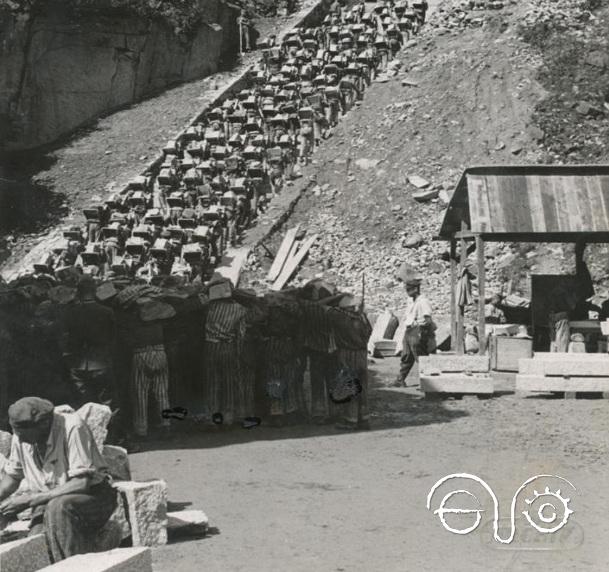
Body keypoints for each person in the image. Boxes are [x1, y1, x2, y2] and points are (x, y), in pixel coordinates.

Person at [0, 397, 118, 563]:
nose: (18, 439)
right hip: (47, 503)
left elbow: (81, 482)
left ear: (43, 424)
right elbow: (13, 477)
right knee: (35, 547)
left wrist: (30, 500)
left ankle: (73, 567)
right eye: (16, 432)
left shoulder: (73, 427)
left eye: (22, 434)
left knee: (59, 508)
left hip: (94, 498)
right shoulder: (21, 435)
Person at [393, 276, 436, 387]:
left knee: (420, 357)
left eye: (409, 290)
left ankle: (429, 382)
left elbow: (428, 319)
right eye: (406, 290)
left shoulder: (423, 301)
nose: (407, 292)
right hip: (409, 331)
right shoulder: (411, 301)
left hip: (417, 331)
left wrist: (422, 333)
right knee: (407, 356)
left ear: (416, 289)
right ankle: (400, 379)